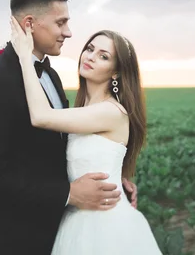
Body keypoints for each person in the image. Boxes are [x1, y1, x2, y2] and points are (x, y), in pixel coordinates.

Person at [0, 0, 139, 255]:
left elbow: (58, 149)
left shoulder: (51, 76)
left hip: (64, 232)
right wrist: (69, 194)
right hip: (15, 240)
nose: (68, 33)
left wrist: (114, 179)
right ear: (30, 24)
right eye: (61, 23)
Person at [9, 17, 162, 254]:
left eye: (104, 56)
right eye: (90, 49)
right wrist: (118, 178)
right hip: (76, 220)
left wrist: (24, 56)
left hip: (106, 226)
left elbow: (40, 116)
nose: (90, 56)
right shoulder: (83, 111)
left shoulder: (112, 112)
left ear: (116, 73)